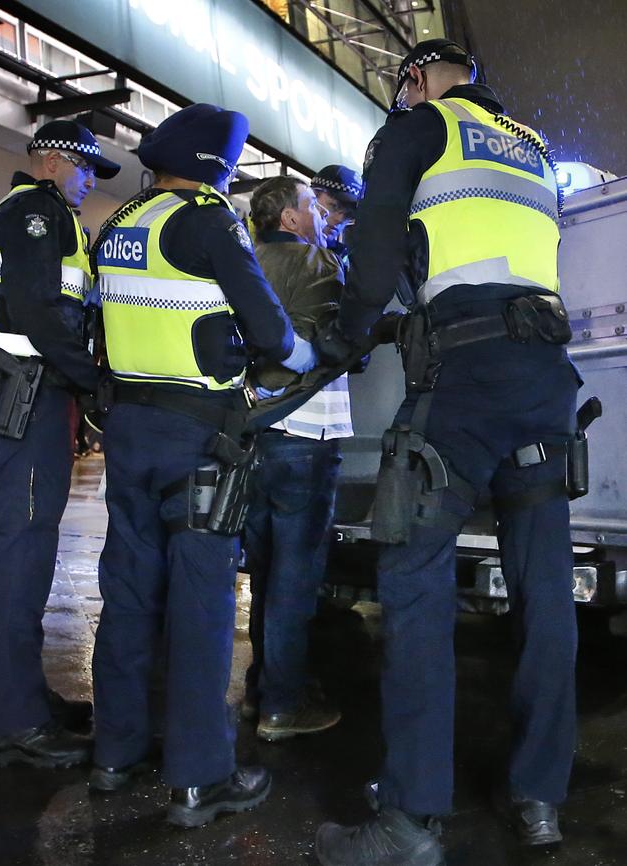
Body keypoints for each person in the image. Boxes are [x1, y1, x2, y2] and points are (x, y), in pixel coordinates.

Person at [314, 39, 580, 866]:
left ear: (419, 79)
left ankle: (411, 817)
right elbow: (495, 256)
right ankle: (541, 798)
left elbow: (379, 247)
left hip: (463, 383)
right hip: (545, 380)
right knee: (544, 592)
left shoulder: (419, 127)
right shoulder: (530, 144)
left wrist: (351, 333)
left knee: (416, 580)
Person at [89, 103, 315, 828]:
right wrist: (307, 356)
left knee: (126, 596)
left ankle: (115, 756)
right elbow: (268, 327)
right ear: (218, 167)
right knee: (201, 602)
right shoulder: (208, 219)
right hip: (198, 439)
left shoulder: (120, 224)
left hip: (127, 430)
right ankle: (199, 777)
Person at [0, 120, 120, 767]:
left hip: (31, 392)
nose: (91, 184)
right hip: (30, 391)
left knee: (28, 549)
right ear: (59, 161)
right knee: (23, 552)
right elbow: (39, 310)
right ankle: (13, 721)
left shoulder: (33, 213)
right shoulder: (37, 211)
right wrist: (91, 383)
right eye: (89, 171)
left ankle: (25, 696)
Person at [242, 175, 353, 741]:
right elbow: (340, 342)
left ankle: (261, 686)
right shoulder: (316, 262)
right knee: (295, 577)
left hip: (253, 432)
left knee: (263, 573)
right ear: (289, 217)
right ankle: (283, 704)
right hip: (306, 434)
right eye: (312, 206)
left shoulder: (244, 258)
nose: (320, 214)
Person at [311, 164, 362, 269]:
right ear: (312, 196)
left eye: (349, 215)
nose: (340, 219)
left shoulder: (343, 260)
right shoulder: (281, 249)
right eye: (334, 206)